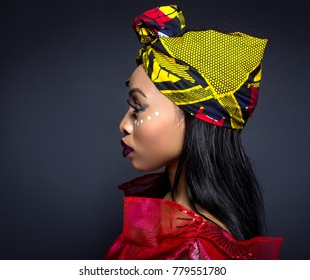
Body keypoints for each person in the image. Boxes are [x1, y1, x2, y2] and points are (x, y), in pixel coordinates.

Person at [105, 5, 282, 260]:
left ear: (195, 116)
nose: (124, 124)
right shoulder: (169, 210)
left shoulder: (196, 250)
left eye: (138, 107)